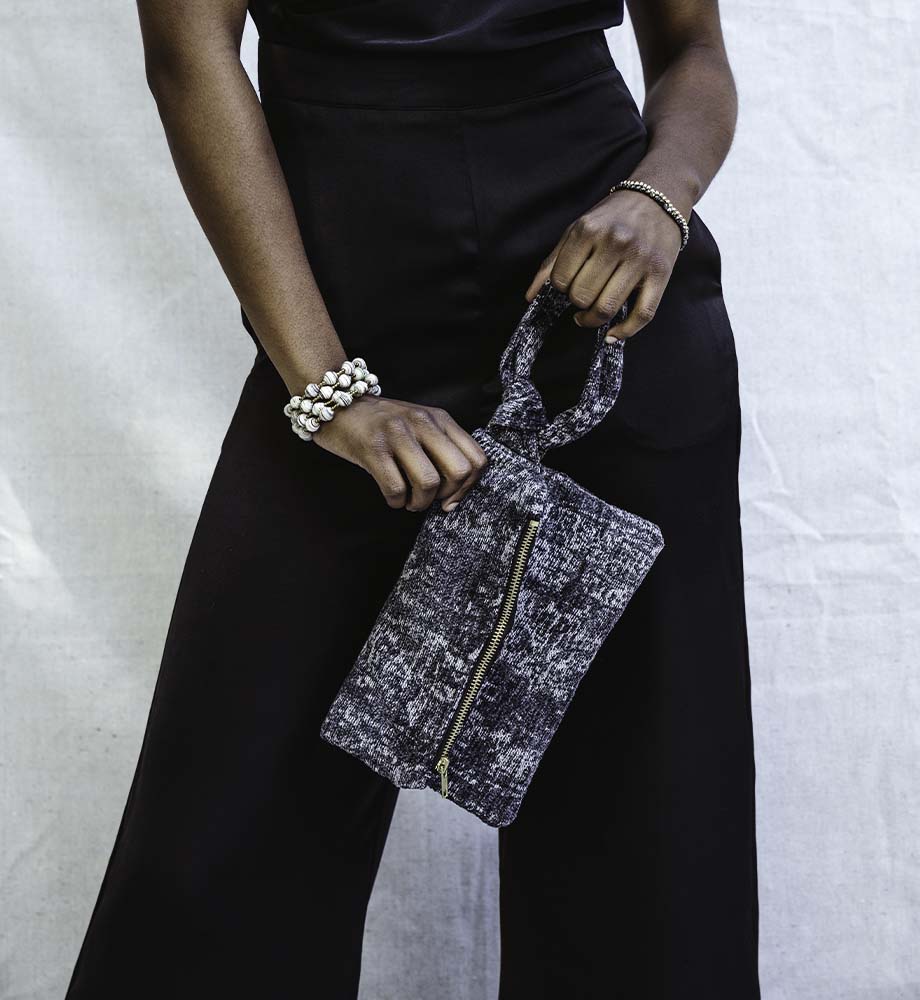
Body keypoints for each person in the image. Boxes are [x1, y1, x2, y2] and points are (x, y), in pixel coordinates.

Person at [64, 0, 760, 997]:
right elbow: (188, 58)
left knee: (648, 833)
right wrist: (324, 388)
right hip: (342, 301)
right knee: (223, 832)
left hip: (600, 306)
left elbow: (693, 54)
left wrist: (661, 194)